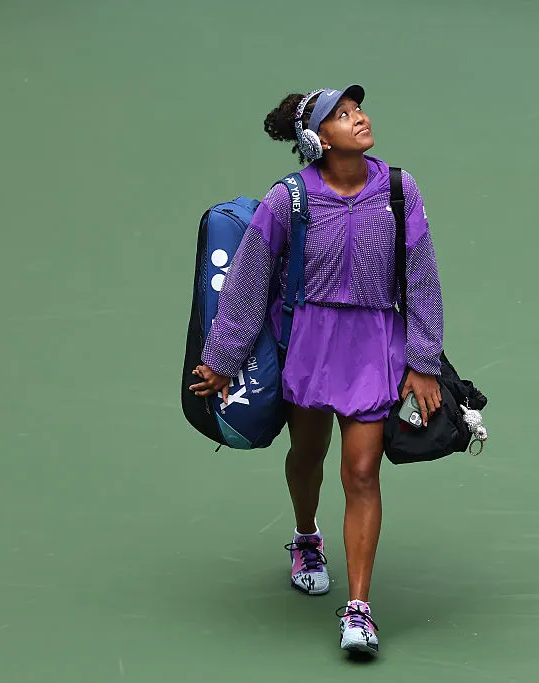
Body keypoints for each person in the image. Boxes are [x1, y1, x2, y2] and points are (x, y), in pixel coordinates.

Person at [188, 85, 444, 656]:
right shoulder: (288, 200)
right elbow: (250, 280)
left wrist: (423, 362)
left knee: (362, 472)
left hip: (375, 344)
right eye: (343, 116)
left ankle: (359, 609)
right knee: (308, 453)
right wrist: (223, 360)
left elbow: (421, 275)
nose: (360, 119)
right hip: (308, 343)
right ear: (317, 138)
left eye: (358, 111)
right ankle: (306, 536)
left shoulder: (400, 190)